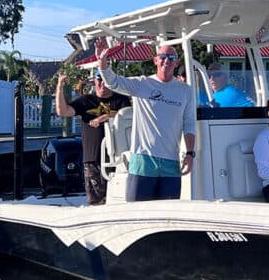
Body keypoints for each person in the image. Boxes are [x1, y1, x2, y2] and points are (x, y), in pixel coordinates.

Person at [95, 38, 196, 201]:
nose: (166, 61)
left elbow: (189, 123)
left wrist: (190, 154)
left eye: (171, 58)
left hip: (171, 163)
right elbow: (113, 82)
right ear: (155, 60)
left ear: (176, 63)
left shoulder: (186, 91)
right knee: (136, 213)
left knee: (168, 216)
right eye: (162, 56)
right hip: (143, 162)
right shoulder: (143, 84)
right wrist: (102, 62)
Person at [55, 71, 131, 204]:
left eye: (106, 80)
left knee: (120, 200)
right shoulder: (86, 101)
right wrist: (60, 87)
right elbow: (63, 111)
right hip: (93, 159)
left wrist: (107, 117)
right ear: (94, 81)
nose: (103, 83)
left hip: (119, 159)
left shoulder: (122, 100)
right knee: (96, 202)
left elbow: (132, 117)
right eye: (99, 80)